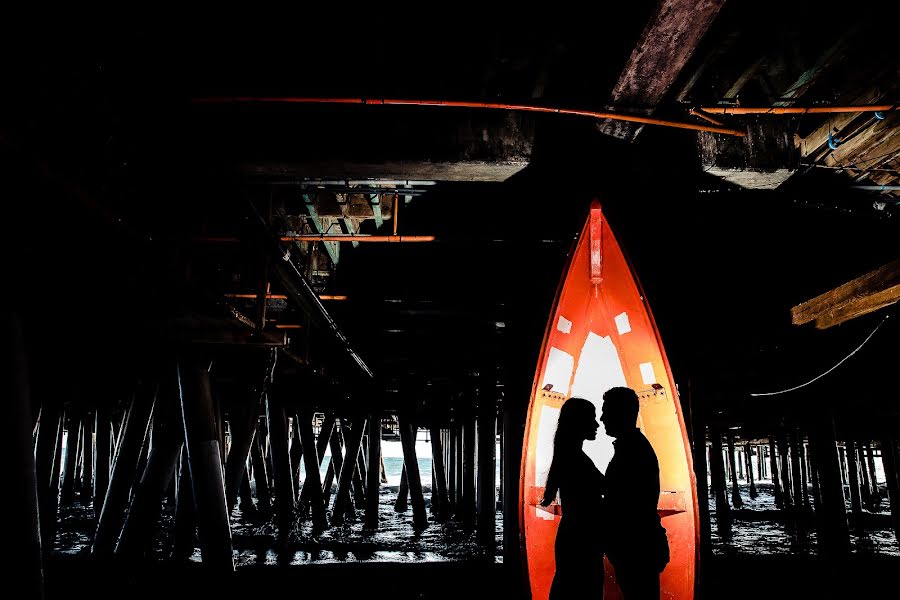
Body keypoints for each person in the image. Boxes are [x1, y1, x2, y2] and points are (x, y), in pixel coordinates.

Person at [600, 386, 668, 599]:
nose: (602, 418)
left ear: (621, 414)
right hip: (642, 545)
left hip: (635, 548)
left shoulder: (631, 451)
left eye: (606, 412)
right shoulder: (635, 447)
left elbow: (624, 504)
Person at [541, 397, 607, 600]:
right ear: (578, 423)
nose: (597, 424)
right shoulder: (577, 460)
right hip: (583, 539)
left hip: (573, 535)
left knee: (567, 587)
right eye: (591, 418)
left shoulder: (568, 456)